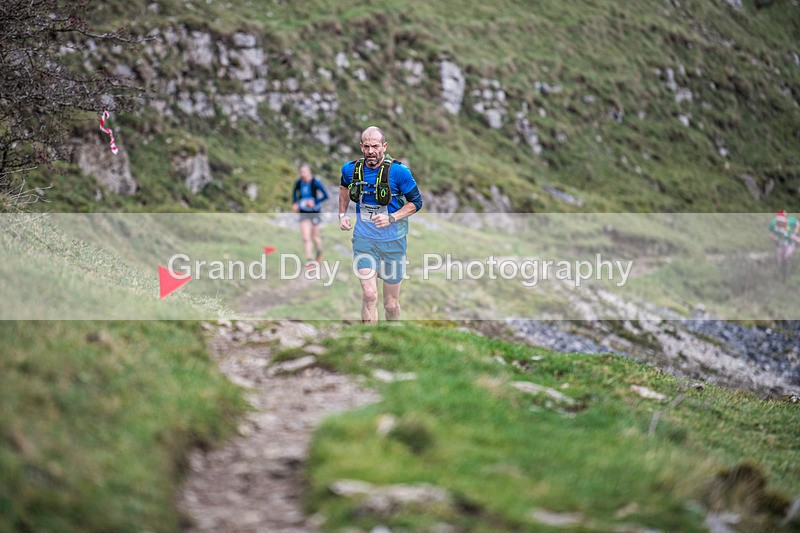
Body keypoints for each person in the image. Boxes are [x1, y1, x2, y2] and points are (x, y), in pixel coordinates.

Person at [339, 126, 423, 322]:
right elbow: (344, 187)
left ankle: (392, 339)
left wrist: (391, 217)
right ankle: (369, 343)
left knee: (390, 305)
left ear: (384, 146)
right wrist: (342, 213)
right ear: (361, 147)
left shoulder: (399, 172)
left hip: (394, 242)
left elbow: (416, 203)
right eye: (366, 146)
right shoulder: (350, 169)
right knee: (369, 295)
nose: (370, 151)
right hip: (364, 240)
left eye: (375, 146)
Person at [292, 163, 329, 268]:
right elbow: (294, 193)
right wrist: (295, 203)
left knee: (314, 237)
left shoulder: (315, 183)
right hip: (303, 212)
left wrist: (315, 201)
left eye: (305, 172)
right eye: (301, 172)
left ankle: (319, 253)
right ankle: (309, 260)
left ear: (309, 172)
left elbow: (325, 196)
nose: (303, 174)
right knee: (305, 237)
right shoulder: (298, 182)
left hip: (314, 212)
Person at [768, 209, 800, 280]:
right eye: (778, 221)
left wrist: (796, 232)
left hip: (789, 244)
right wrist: (773, 237)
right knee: (778, 258)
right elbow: (770, 232)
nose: (779, 223)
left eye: (781, 222)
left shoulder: (789, 224)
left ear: (784, 221)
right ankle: (778, 274)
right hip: (779, 244)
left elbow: (796, 224)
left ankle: (786, 275)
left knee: (786, 257)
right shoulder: (773, 223)